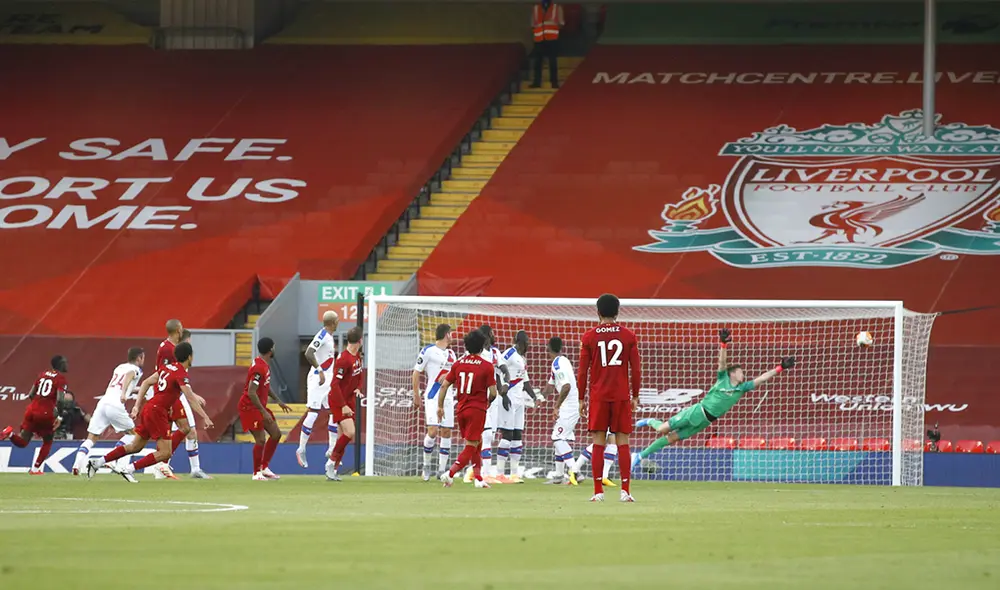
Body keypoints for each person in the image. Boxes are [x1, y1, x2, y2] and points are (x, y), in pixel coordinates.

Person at [633, 329, 797, 468]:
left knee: (671, 439)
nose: (743, 374)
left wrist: (780, 368)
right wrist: (723, 344)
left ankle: (639, 456)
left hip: (706, 421)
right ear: (732, 373)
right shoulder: (722, 378)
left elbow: (761, 378)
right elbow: (722, 361)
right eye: (740, 371)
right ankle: (650, 421)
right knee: (662, 429)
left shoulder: (742, 388)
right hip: (697, 411)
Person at [88, 342, 213, 482]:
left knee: (135, 447)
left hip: (149, 408)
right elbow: (189, 397)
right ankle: (129, 469)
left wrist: (137, 404)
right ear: (190, 357)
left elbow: (147, 382)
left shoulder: (166, 369)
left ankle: (97, 462)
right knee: (165, 452)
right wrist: (205, 417)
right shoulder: (181, 374)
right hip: (158, 412)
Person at [577, 293, 641, 503]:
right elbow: (636, 369)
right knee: (623, 441)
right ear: (617, 312)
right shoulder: (629, 336)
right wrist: (636, 395)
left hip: (598, 396)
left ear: (598, 312)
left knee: (598, 441)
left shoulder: (589, 337)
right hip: (621, 395)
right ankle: (625, 491)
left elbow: (583, 371)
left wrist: (581, 398)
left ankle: (598, 492)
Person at [439, 329, 498, 489]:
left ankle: (478, 479)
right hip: (476, 410)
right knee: (471, 446)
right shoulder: (487, 366)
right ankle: (450, 474)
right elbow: (493, 392)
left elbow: (444, 385)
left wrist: (440, 406)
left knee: (476, 443)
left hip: (461, 410)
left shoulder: (458, 363)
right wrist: (488, 403)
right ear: (482, 347)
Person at [72, 347, 144, 476]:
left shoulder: (119, 367)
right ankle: (113, 459)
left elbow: (122, 380)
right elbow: (129, 376)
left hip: (103, 403)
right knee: (134, 435)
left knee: (92, 437)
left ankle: (77, 464)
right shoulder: (136, 370)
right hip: (115, 404)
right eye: (143, 358)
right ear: (139, 358)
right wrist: (123, 394)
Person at [1, 355, 70, 475]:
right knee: (48, 441)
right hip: (45, 413)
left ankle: (9, 433)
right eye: (65, 363)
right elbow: (60, 400)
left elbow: (31, 394)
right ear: (60, 365)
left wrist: (36, 406)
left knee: (23, 441)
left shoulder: (42, 375)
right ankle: (35, 469)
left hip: (31, 409)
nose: (67, 365)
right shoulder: (61, 379)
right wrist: (58, 416)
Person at [239, 337, 292, 481]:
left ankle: (264, 467)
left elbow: (265, 386)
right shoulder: (259, 368)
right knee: (260, 439)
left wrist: (278, 400)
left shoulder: (263, 364)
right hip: (249, 407)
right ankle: (256, 473)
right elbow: (251, 391)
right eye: (274, 347)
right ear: (270, 350)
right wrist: (263, 411)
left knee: (276, 434)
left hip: (258, 406)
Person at [413, 323, 457, 481]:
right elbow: (416, 373)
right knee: (432, 431)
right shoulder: (428, 351)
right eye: (451, 333)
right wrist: (416, 395)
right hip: (432, 396)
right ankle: (426, 466)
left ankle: (441, 470)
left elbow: (456, 376)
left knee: (446, 431)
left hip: (448, 397)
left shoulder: (452, 354)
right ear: (446, 335)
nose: (452, 336)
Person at [466, 324, 510, 483]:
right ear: (485, 336)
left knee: (489, 435)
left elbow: (503, 369)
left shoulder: (495, 352)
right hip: (479, 397)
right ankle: (483, 473)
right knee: (484, 435)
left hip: (493, 398)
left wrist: (506, 383)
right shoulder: (472, 354)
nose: (494, 336)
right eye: (491, 333)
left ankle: (474, 470)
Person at [297, 310, 340, 469]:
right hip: (318, 379)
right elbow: (309, 353)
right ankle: (301, 448)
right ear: (333, 322)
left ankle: (331, 448)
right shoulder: (321, 335)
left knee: (333, 411)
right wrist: (320, 370)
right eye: (337, 320)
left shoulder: (329, 337)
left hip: (328, 380)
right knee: (313, 413)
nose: (339, 322)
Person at [496, 331, 539, 483]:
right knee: (507, 435)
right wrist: (503, 394)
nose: (528, 345)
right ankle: (500, 473)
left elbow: (525, 381)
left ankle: (514, 473)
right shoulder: (508, 354)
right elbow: (497, 372)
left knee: (517, 436)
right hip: (508, 399)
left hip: (519, 401)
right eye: (526, 342)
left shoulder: (522, 358)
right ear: (519, 341)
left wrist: (534, 398)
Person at [325, 327, 363, 481]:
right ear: (360, 341)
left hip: (348, 399)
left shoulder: (357, 357)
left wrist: (358, 389)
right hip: (338, 400)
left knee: (343, 436)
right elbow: (334, 385)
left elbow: (359, 376)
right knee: (350, 432)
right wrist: (343, 405)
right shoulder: (343, 359)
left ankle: (332, 470)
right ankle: (331, 461)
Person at [543, 337, 579, 485]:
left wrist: (556, 406)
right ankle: (559, 475)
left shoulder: (558, 364)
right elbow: (550, 385)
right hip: (571, 405)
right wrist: (539, 398)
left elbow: (566, 386)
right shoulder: (562, 361)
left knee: (557, 437)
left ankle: (575, 470)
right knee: (560, 438)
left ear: (548, 348)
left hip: (569, 406)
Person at [531, 0, 564, 88]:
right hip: (539, 38)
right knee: (538, 62)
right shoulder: (536, 8)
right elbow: (533, 24)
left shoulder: (557, 8)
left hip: (552, 38)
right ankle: (537, 82)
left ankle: (554, 82)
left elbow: (561, 23)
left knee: (552, 61)